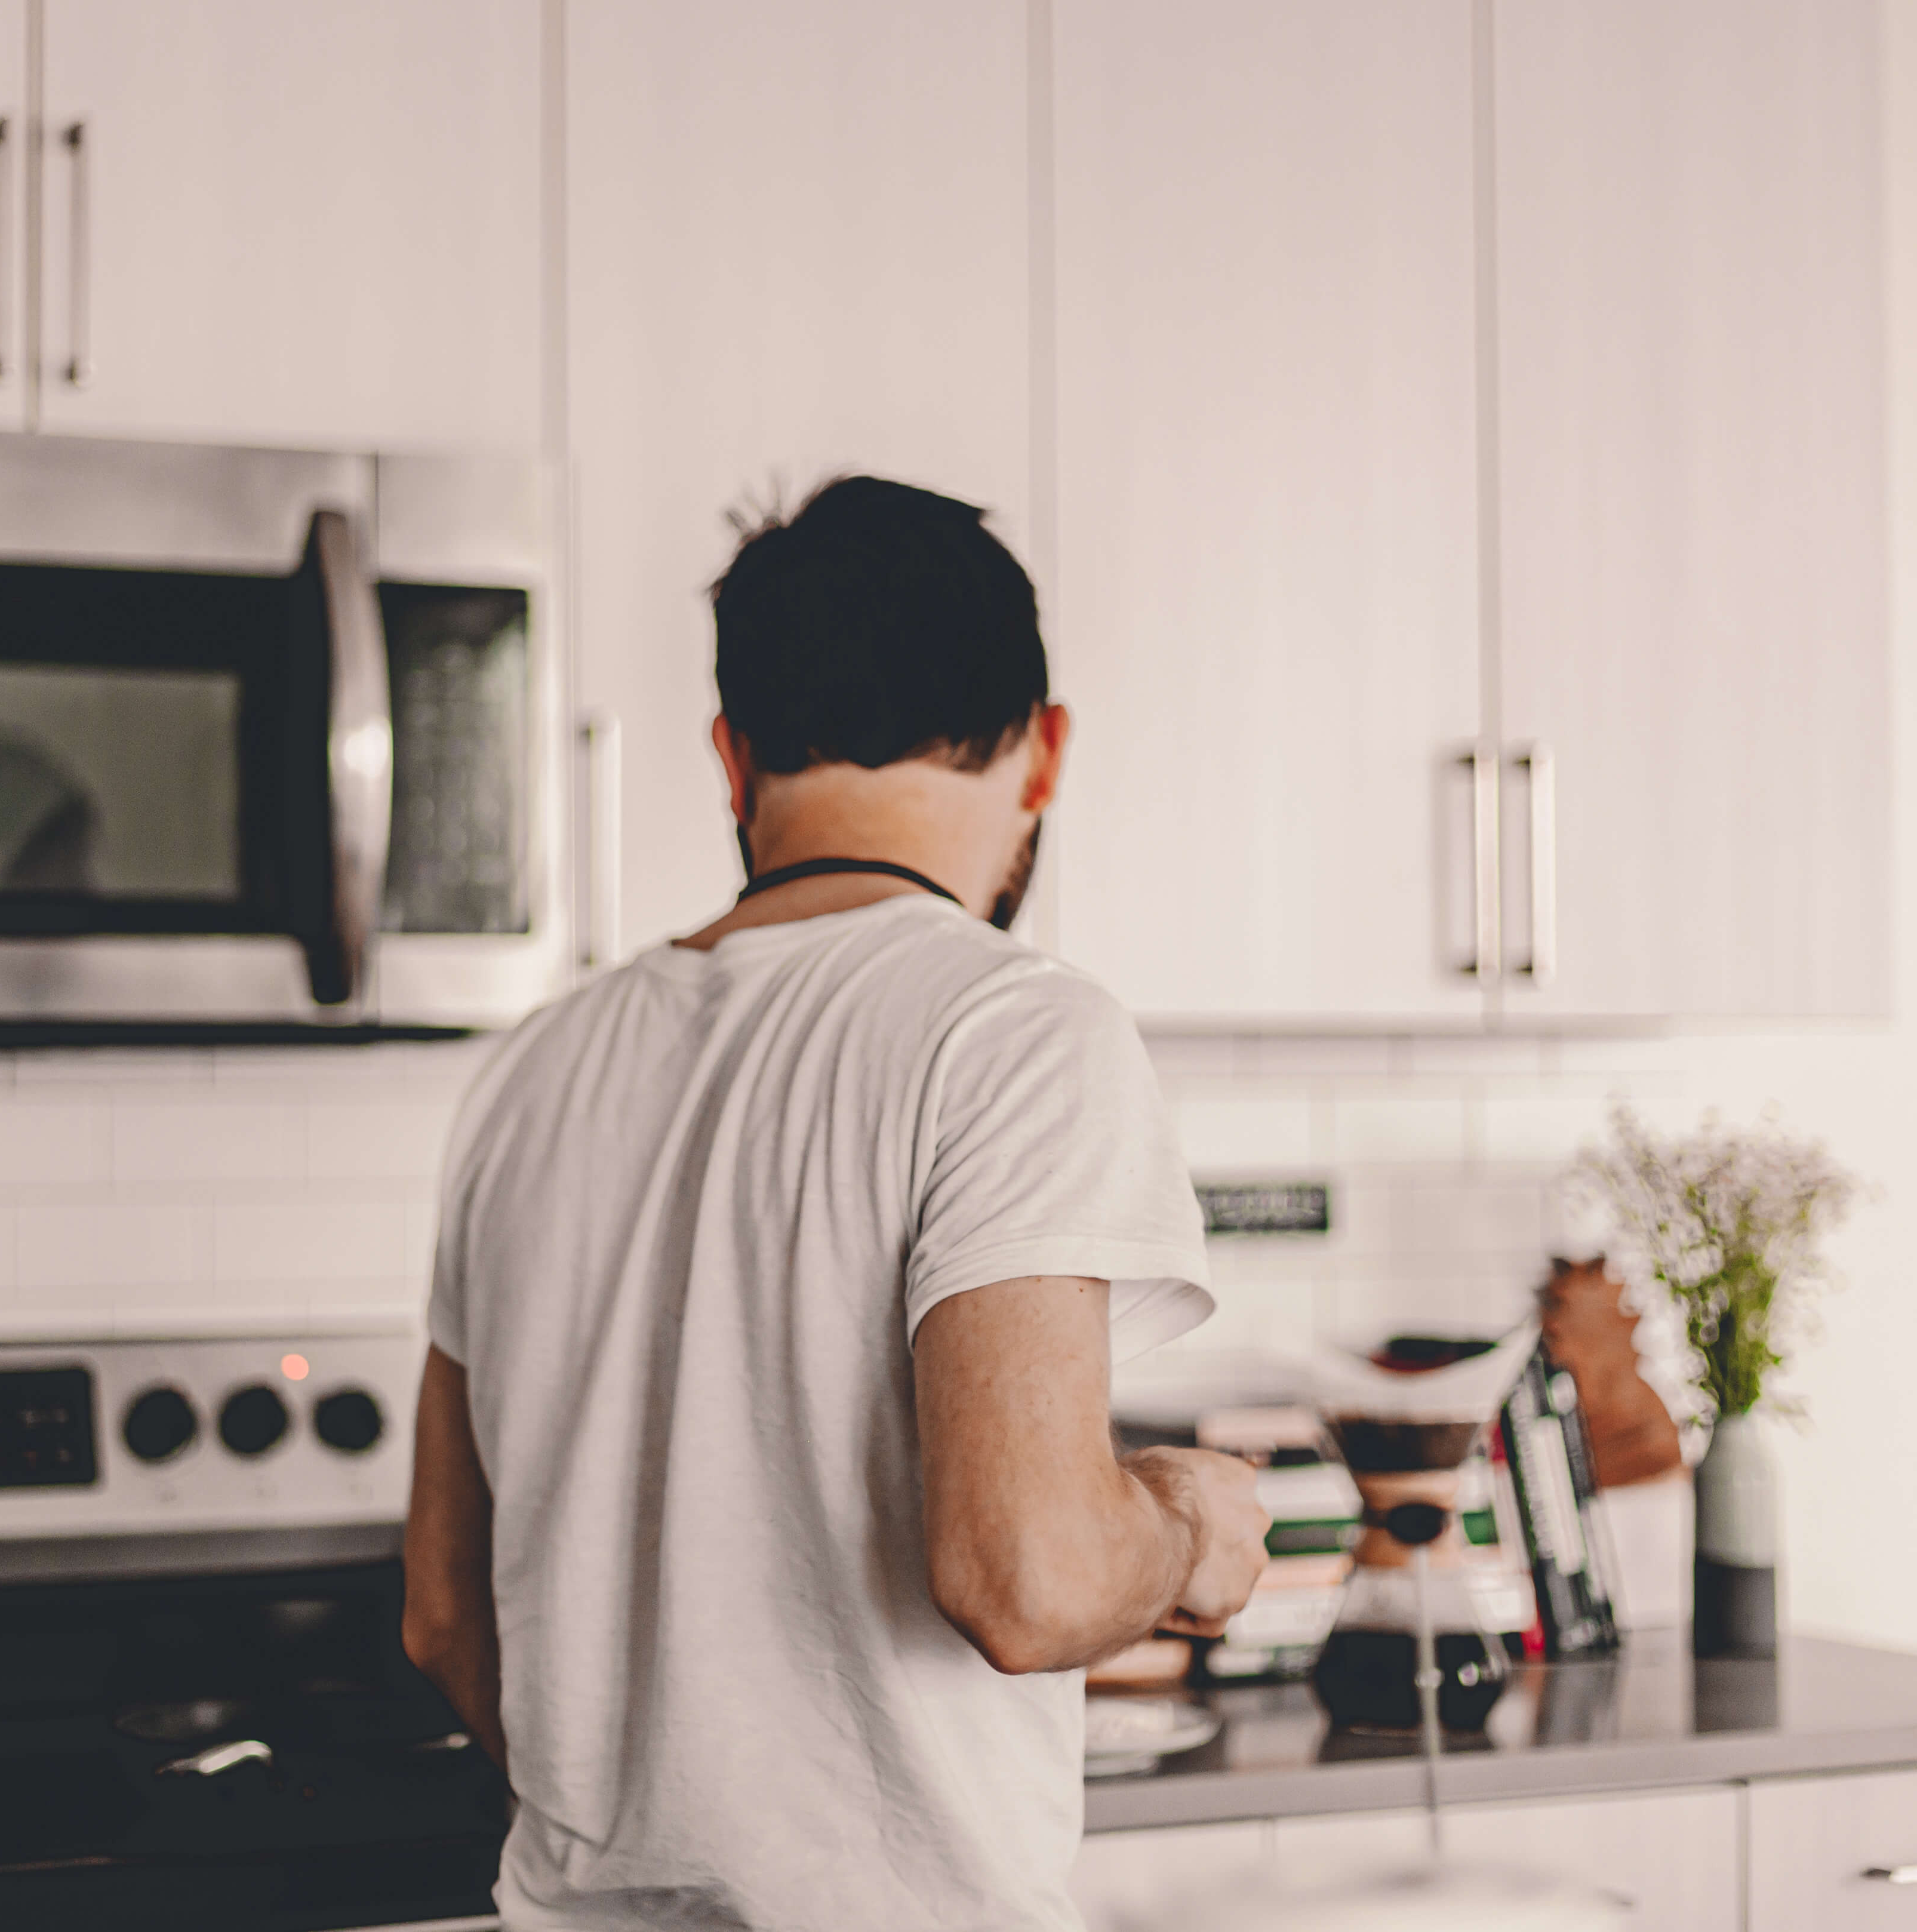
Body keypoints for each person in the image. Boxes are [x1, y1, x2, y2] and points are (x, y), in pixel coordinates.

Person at [401, 476, 1270, 1931]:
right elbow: (1031, 1577)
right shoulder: (1013, 1028)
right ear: (1044, 751)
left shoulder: (531, 1069)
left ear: (731, 755)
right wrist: (1188, 1525)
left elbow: (443, 1610)